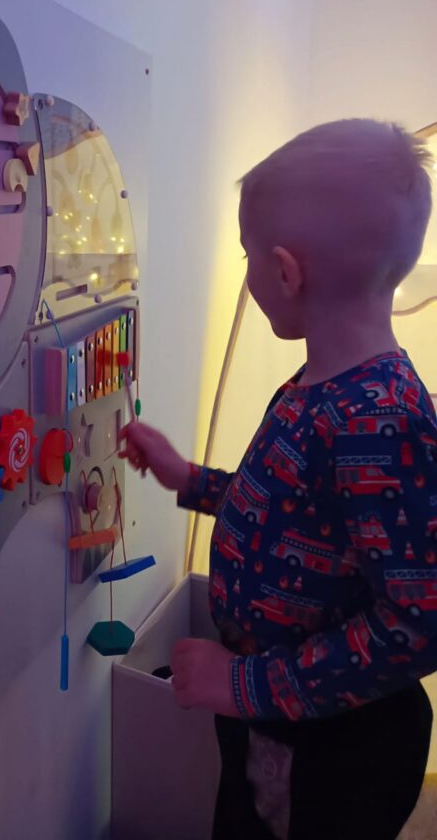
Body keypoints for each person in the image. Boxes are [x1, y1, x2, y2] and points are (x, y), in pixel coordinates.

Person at [119, 120, 437, 839]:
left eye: (248, 256)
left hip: (334, 748)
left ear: (287, 272)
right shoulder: (320, 386)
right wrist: (187, 477)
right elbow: (291, 514)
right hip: (271, 719)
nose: (249, 272)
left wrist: (242, 683)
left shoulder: (380, 419)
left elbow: (420, 623)